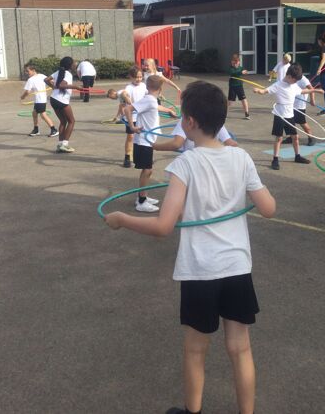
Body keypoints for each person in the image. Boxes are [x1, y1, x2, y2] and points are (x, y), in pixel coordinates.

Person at [103, 80, 276, 414]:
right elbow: (268, 208)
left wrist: (122, 219)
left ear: (190, 122)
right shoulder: (241, 158)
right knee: (240, 348)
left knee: (196, 350)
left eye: (182, 115)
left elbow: (163, 226)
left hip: (201, 270)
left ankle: (192, 411)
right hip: (237, 268)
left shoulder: (185, 164)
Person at [253, 63, 324, 170]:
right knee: (279, 138)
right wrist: (258, 90)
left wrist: (315, 90)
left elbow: (302, 91)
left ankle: (297, 156)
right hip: (280, 115)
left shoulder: (294, 85)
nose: (296, 82)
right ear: (289, 76)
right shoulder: (278, 85)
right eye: (295, 80)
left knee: (295, 137)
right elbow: (265, 91)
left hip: (290, 115)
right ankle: (275, 159)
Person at [124, 75, 176, 212]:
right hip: (143, 141)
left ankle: (143, 196)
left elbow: (155, 106)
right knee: (147, 170)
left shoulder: (151, 100)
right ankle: (141, 201)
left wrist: (168, 110)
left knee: (147, 170)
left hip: (147, 141)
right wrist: (132, 127)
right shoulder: (148, 100)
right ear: (161, 88)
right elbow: (127, 109)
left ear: (147, 87)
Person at [45, 56, 83, 153]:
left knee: (63, 121)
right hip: (61, 100)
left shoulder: (58, 72)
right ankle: (65, 145)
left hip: (53, 99)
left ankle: (60, 145)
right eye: (73, 63)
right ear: (70, 65)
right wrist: (75, 87)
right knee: (71, 121)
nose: (75, 64)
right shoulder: (68, 74)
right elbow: (62, 85)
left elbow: (46, 80)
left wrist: (53, 87)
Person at [153, 118, 237, 153]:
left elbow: (176, 144)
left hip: (192, 161)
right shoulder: (215, 119)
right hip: (214, 160)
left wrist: (156, 146)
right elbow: (232, 144)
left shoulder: (186, 120)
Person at [20, 63, 58, 138]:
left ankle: (54, 129)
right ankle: (36, 129)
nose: (26, 73)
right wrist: (54, 86)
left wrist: (22, 97)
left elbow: (27, 91)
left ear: (33, 70)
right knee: (34, 113)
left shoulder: (30, 80)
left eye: (27, 71)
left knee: (43, 115)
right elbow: (51, 81)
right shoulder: (42, 76)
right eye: (25, 71)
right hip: (41, 99)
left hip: (40, 100)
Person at [282, 74, 316, 147]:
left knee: (302, 122)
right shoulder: (290, 77)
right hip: (290, 103)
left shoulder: (303, 79)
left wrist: (312, 100)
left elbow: (311, 89)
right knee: (288, 121)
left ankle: (311, 138)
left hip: (299, 106)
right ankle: (292, 137)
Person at [228, 53, 250, 119]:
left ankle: (247, 114)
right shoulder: (231, 68)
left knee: (243, 99)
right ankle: (224, 113)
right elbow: (233, 73)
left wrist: (245, 72)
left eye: (237, 62)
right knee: (230, 102)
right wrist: (241, 72)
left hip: (239, 86)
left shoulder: (240, 68)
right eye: (234, 62)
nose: (236, 64)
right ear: (232, 62)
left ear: (239, 62)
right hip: (232, 86)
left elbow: (243, 71)